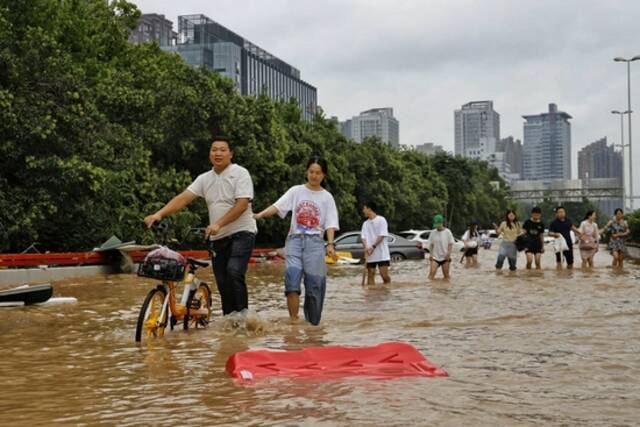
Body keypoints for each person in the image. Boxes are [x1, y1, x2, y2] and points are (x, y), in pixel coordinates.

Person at [144, 137, 257, 316]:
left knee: (234, 271)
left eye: (222, 150)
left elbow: (242, 204)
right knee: (222, 280)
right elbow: (184, 198)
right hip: (217, 237)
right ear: (209, 154)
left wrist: (218, 224)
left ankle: (244, 317)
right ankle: (230, 320)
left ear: (231, 153)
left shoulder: (240, 173)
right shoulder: (205, 178)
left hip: (241, 232)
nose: (218, 153)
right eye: (214, 150)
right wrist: (159, 214)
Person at [253, 156, 339, 325]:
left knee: (314, 287)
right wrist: (260, 215)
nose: (314, 176)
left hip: (315, 243)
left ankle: (312, 326)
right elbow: (277, 206)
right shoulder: (296, 191)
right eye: (311, 172)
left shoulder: (327, 197)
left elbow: (330, 223)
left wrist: (330, 245)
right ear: (307, 172)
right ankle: (293, 323)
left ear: (324, 176)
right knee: (292, 281)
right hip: (294, 241)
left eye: (318, 173)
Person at [360, 201, 391, 286]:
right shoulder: (365, 224)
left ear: (369, 209)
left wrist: (373, 247)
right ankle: (371, 295)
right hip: (370, 254)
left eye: (364, 208)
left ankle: (387, 288)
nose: (363, 211)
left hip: (381, 253)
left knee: (384, 275)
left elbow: (381, 235)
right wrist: (366, 247)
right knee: (370, 274)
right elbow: (363, 237)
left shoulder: (381, 220)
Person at [427, 214, 455, 279]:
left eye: (438, 225)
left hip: (445, 257)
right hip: (435, 257)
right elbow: (431, 244)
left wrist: (448, 254)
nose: (437, 227)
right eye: (436, 225)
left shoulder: (448, 232)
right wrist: (430, 254)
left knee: (446, 276)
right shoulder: (433, 232)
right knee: (431, 275)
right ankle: (430, 288)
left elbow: (450, 244)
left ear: (441, 223)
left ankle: (446, 288)